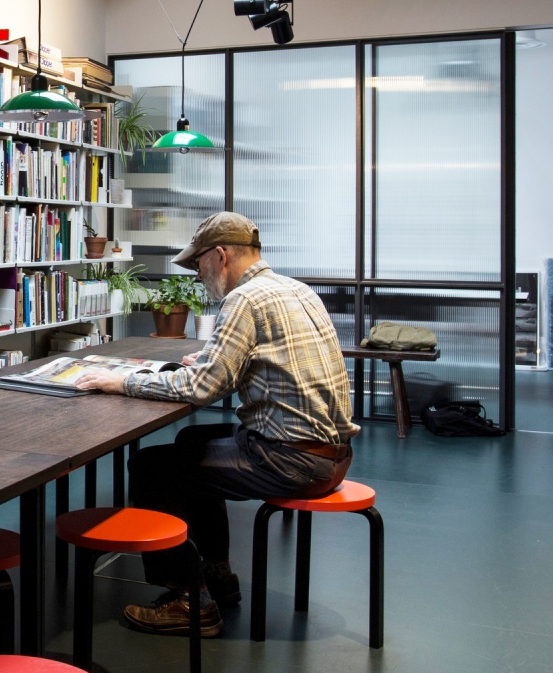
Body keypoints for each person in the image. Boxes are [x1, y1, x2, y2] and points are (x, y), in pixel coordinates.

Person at [72, 212, 356, 637]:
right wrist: (212, 363)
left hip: (294, 461)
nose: (198, 274)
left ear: (220, 256)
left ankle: (189, 599)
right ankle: (217, 573)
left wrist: (123, 381)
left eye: (199, 263)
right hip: (333, 455)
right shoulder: (294, 289)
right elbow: (266, 366)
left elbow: (203, 389)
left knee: (153, 467)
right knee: (192, 440)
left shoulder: (244, 300)